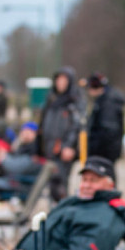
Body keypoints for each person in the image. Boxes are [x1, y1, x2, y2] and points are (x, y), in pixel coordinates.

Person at [39, 66, 83, 202]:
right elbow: (43, 121)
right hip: (49, 147)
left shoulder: (75, 100)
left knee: (61, 184)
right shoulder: (52, 99)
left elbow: (77, 125)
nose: (61, 83)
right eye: (59, 80)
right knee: (50, 184)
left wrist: (69, 146)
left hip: (63, 148)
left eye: (64, 80)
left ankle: (63, 212)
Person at [85, 72, 125, 163]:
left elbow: (108, 129)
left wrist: (95, 147)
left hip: (104, 151)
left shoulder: (108, 102)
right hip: (104, 149)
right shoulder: (103, 99)